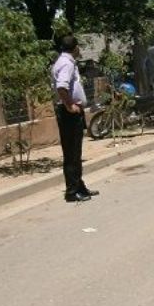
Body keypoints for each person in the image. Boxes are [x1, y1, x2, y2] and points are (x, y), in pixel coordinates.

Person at [51, 34, 99, 202]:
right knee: (72, 153)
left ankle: (79, 186)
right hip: (68, 114)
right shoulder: (66, 63)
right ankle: (72, 192)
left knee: (75, 152)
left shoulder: (66, 62)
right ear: (75, 47)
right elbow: (61, 87)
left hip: (72, 113)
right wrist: (70, 105)